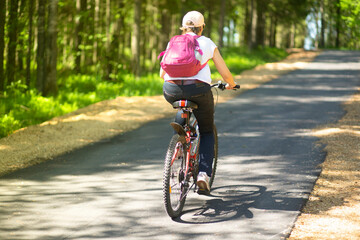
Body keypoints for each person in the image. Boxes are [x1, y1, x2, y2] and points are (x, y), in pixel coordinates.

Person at [160, 11, 237, 192]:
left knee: (182, 105)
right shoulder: (207, 43)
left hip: (171, 90)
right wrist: (231, 84)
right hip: (198, 90)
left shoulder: (173, 42)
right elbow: (225, 72)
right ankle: (203, 174)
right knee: (207, 130)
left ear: (183, 27)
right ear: (202, 27)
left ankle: (179, 141)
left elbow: (161, 74)